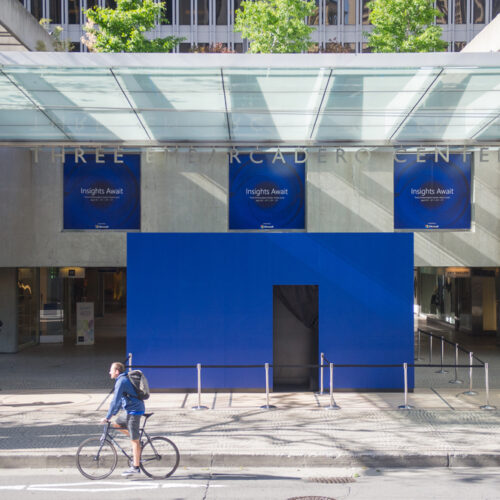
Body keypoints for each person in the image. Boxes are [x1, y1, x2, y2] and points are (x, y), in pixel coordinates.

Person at [101, 361, 145, 477]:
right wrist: (113, 415)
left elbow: (115, 400)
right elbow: (120, 400)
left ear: (116, 371)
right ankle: (135, 437)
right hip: (129, 410)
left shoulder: (121, 381)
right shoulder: (121, 380)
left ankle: (135, 467)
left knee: (134, 441)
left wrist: (107, 417)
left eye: (111, 370)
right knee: (116, 424)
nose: (109, 372)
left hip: (134, 411)